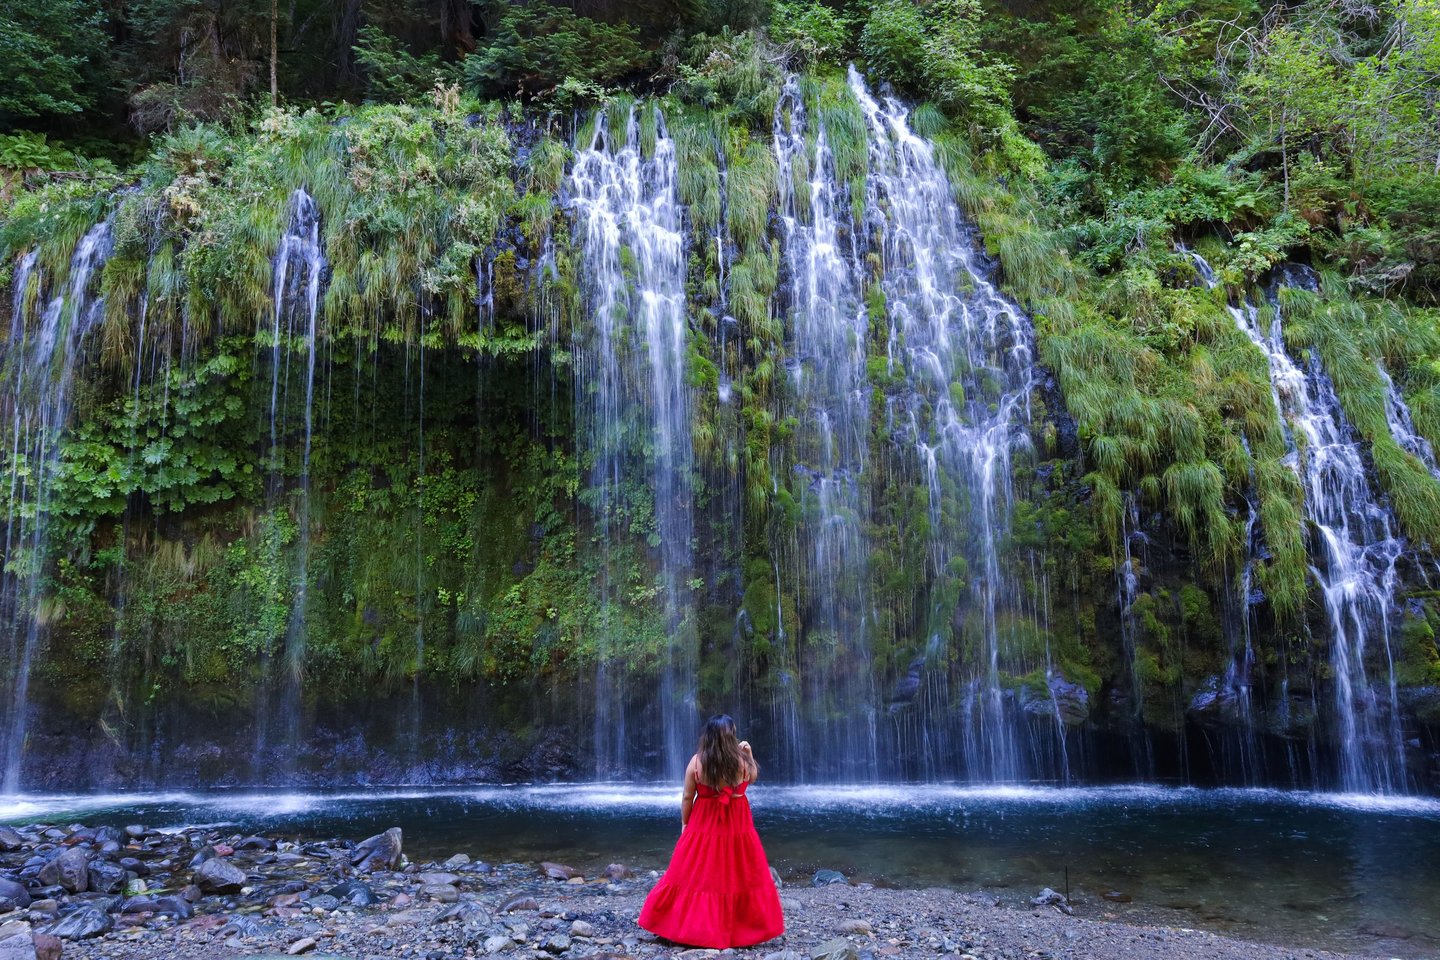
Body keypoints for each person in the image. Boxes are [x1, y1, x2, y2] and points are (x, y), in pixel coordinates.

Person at [637, 715, 785, 948]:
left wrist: (686, 824)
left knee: (695, 873)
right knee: (740, 873)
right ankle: (743, 930)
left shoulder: (697, 762)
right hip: (738, 825)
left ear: (708, 736)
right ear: (731, 736)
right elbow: (753, 777)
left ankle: (684, 926)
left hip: (703, 824)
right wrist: (749, 754)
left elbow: (687, 797)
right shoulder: (742, 762)